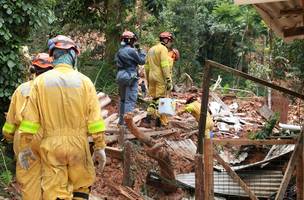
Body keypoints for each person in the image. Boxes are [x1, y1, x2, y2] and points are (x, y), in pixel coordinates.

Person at [18, 35, 107, 200]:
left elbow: (29, 121)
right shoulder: (85, 82)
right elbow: (95, 119)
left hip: (52, 146)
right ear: (73, 55)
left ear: (53, 56)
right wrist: (100, 146)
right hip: (79, 145)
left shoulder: (40, 82)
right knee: (81, 186)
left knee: (55, 192)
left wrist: (24, 146)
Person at [2, 53, 53, 200]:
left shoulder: (22, 89)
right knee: (53, 179)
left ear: (33, 69)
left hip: (25, 139)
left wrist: (10, 137)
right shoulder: (57, 91)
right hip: (50, 138)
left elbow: (10, 122)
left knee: (29, 180)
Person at [115, 31, 146, 126]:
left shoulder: (119, 51)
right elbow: (142, 61)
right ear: (130, 40)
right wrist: (141, 51)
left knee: (123, 100)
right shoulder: (132, 51)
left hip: (121, 76)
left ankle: (121, 122)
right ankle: (127, 124)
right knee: (130, 101)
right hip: (130, 77)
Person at [144, 32, 174, 127]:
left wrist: (148, 80)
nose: (170, 43)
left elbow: (146, 66)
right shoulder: (163, 49)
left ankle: (148, 117)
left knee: (154, 99)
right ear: (166, 40)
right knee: (160, 99)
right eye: (170, 41)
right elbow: (164, 65)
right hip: (160, 77)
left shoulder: (151, 49)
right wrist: (168, 79)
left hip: (151, 76)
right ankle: (158, 122)